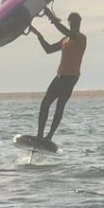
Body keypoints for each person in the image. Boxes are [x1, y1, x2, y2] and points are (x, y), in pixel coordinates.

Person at [28, 8, 86, 142]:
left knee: (60, 106)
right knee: (45, 103)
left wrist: (51, 18)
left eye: (77, 22)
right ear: (69, 22)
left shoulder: (81, 38)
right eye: (72, 22)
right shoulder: (65, 40)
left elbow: (65, 30)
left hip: (71, 77)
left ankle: (49, 137)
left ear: (80, 23)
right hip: (60, 76)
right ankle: (40, 135)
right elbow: (48, 50)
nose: (74, 24)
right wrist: (38, 35)